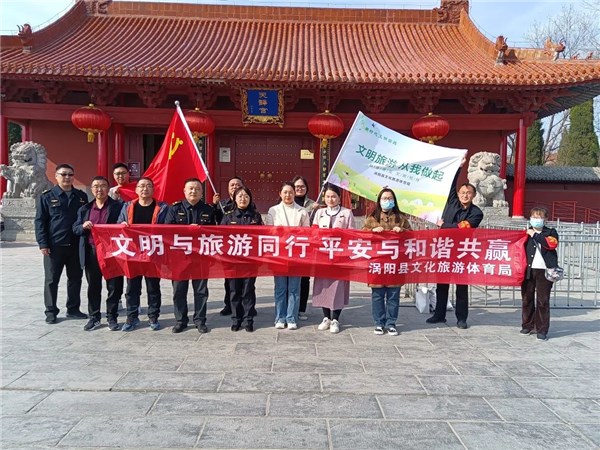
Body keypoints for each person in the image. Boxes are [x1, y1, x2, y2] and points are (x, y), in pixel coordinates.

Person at [426, 159, 483, 329]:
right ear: (458, 194)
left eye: (469, 193)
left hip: (462, 252)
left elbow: (462, 228)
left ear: (473, 195)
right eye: (462, 192)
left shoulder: (476, 213)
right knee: (441, 284)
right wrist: (459, 167)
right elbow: (451, 183)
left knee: (461, 287)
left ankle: (461, 318)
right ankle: (439, 315)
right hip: (444, 249)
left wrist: (443, 225)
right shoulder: (452, 202)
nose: (465, 195)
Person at [35, 164, 89, 324]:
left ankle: (73, 309)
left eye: (70, 174)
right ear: (56, 176)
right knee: (51, 280)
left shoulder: (81, 196)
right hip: (54, 246)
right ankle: (51, 311)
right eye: (63, 174)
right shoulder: (46, 197)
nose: (67, 177)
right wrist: (43, 244)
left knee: (75, 279)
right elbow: (40, 222)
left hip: (76, 245)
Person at [165, 178, 217, 334]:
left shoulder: (208, 209)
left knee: (201, 291)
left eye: (197, 189)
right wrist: (187, 230)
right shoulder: (174, 208)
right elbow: (167, 231)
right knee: (179, 291)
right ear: (184, 191)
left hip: (200, 258)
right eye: (191, 188)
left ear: (202, 192)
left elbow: (214, 233)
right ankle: (180, 321)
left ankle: (200, 321)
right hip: (179, 257)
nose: (194, 191)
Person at [72, 176, 124, 331]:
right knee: (93, 286)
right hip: (92, 252)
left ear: (108, 189)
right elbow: (75, 228)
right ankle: (94, 317)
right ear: (92, 189)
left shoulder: (118, 207)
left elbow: (125, 224)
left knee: (114, 286)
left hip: (113, 253)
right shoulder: (85, 209)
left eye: (102, 186)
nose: (99, 189)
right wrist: (83, 226)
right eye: (96, 186)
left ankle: (112, 317)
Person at [118, 177, 169, 331]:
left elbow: (168, 227)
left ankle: (153, 317)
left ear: (153, 189)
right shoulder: (127, 206)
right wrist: (122, 225)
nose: (144, 189)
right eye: (141, 186)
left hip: (153, 252)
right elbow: (119, 223)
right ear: (136, 190)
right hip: (132, 253)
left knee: (153, 287)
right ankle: (131, 317)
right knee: (132, 288)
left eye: (148, 186)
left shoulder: (162, 208)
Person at [363, 188, 412, 336]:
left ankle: (391, 323)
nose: (387, 201)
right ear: (379, 201)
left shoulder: (401, 218)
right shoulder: (372, 218)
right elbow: (361, 235)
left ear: (394, 201)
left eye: (390, 198)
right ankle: (379, 323)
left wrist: (402, 230)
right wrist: (372, 231)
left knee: (393, 295)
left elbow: (412, 236)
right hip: (377, 262)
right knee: (377, 295)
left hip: (395, 263)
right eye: (384, 198)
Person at [266, 181, 310, 330]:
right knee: (280, 288)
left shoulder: (302, 211)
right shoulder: (273, 210)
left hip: (296, 255)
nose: (288, 195)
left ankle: (291, 317)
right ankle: (280, 317)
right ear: (280, 194)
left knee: (294, 288)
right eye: (285, 192)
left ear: (294, 194)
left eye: (291, 192)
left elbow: (307, 233)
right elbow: (269, 231)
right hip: (279, 255)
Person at [311, 183, 354, 334]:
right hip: (323, 255)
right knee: (323, 285)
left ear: (339, 198)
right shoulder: (320, 212)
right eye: (328, 196)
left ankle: (335, 318)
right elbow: (314, 232)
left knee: (338, 287)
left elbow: (352, 234)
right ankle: (326, 317)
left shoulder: (347, 213)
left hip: (340, 256)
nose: (330, 199)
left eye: (333, 196)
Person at [221, 186, 263, 332]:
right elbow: (221, 238)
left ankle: (248, 320)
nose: (243, 199)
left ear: (250, 198)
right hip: (233, 261)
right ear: (234, 199)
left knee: (248, 290)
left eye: (246, 196)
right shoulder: (228, 216)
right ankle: (236, 319)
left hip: (250, 261)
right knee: (234, 290)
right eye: (240, 196)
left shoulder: (256, 217)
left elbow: (261, 237)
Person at [521, 207, 559, 341]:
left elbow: (551, 244)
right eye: (534, 217)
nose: (536, 220)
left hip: (545, 270)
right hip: (528, 270)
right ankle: (527, 325)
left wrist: (534, 235)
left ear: (545, 219)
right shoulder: (525, 233)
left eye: (539, 217)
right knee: (527, 298)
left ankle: (542, 329)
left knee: (543, 300)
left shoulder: (551, 232)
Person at [212, 176, 244, 316]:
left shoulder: (246, 200)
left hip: (244, 245)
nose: (235, 187)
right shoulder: (222, 204)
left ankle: (246, 305)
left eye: (237, 184)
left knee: (246, 281)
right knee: (229, 280)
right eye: (232, 185)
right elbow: (215, 221)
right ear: (228, 188)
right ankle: (229, 305)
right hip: (228, 246)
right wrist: (215, 205)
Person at [292, 175, 320, 321]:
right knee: (288, 279)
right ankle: (289, 308)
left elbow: (314, 224)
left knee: (304, 279)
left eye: (302, 186)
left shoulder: (313, 204)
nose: (299, 189)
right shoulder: (286, 201)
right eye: (297, 186)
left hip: (306, 247)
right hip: (289, 246)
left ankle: (301, 309)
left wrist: (314, 211)